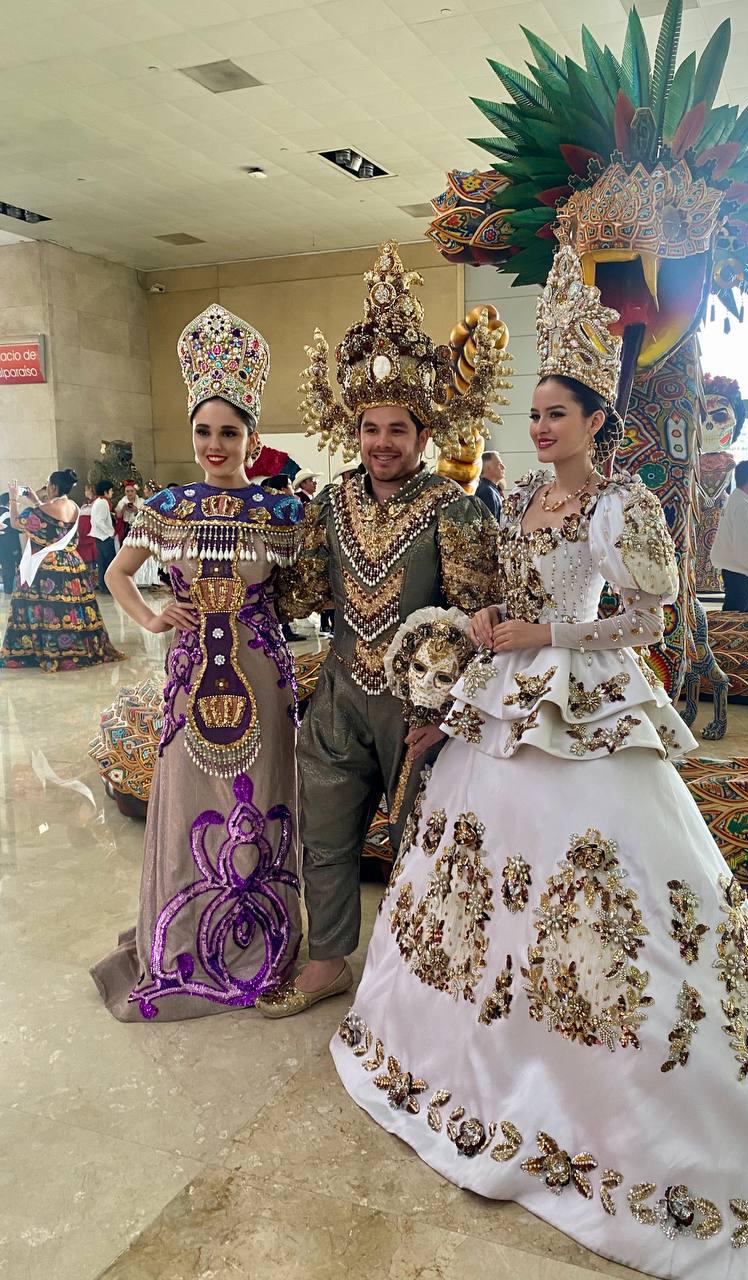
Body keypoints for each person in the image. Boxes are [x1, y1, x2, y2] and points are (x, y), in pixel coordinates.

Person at [327, 246, 748, 1278]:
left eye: (562, 410)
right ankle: (477, 1063)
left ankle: (612, 1089)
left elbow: (649, 614)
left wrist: (545, 639)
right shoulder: (518, 503)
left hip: (580, 701)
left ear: (599, 418)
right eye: (539, 409)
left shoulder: (624, 506)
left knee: (611, 898)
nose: (544, 424)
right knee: (479, 884)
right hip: (507, 700)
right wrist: (490, 625)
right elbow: (516, 599)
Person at [256, 241, 502, 1019]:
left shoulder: (456, 509)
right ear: (352, 431)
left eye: (398, 429)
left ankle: (418, 975)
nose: (382, 443)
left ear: (424, 436)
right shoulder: (328, 505)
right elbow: (298, 592)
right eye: (370, 429)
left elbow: (479, 618)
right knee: (325, 833)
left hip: (421, 709)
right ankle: (328, 959)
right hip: (338, 694)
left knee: (423, 843)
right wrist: (250, 550)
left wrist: (450, 711)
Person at [91, 304, 305, 1021]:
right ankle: (184, 941)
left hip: (266, 682)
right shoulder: (165, 507)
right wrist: (153, 616)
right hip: (189, 685)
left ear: (251, 436)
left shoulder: (279, 513)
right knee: (190, 803)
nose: (216, 445)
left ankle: (263, 940)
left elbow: (309, 591)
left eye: (230, 432)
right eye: (204, 432)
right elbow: (118, 574)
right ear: (193, 434)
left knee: (264, 796)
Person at [0, 469, 123, 672]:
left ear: (54, 487)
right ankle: (77, 647)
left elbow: (16, 523)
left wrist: (14, 499)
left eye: (48, 484)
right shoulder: (74, 506)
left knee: (47, 609)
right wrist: (35, 501)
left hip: (46, 566)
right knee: (72, 608)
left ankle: (40, 649)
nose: (46, 487)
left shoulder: (44, 508)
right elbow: (53, 522)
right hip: (72, 562)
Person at [710, 458, 748, 612]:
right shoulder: (742, 505)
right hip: (743, 573)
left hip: (739, 571)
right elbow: (744, 544)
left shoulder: (739, 501)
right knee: (739, 623)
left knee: (739, 620)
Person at [115, 480, 161, 589]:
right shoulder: (122, 501)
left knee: (140, 554)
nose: (129, 493)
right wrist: (123, 509)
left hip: (140, 529)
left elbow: (145, 515)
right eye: (127, 491)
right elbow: (118, 515)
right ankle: (129, 577)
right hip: (127, 529)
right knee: (128, 553)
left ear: (135, 491)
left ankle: (144, 578)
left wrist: (136, 510)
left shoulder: (141, 501)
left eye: (131, 491)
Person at [89, 479, 117, 591]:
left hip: (100, 537)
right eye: (111, 490)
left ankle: (104, 586)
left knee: (103, 564)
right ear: (105, 492)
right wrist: (110, 532)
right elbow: (99, 521)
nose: (112, 493)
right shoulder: (103, 502)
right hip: (104, 537)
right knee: (108, 564)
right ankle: (107, 587)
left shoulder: (98, 501)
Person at [76, 483, 98, 590]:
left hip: (90, 536)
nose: (86, 493)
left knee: (91, 559)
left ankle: (93, 582)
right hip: (82, 536)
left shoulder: (97, 504)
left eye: (87, 490)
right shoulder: (84, 505)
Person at [0, 491, 21, 594]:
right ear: (9, 502)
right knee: (8, 568)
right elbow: (11, 535)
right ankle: (8, 589)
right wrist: (15, 549)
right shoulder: (8, 515)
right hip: (7, 547)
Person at [476, 450, 505, 522]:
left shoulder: (491, 489)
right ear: (488, 467)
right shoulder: (486, 492)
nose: (503, 467)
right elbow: (492, 527)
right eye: (499, 464)